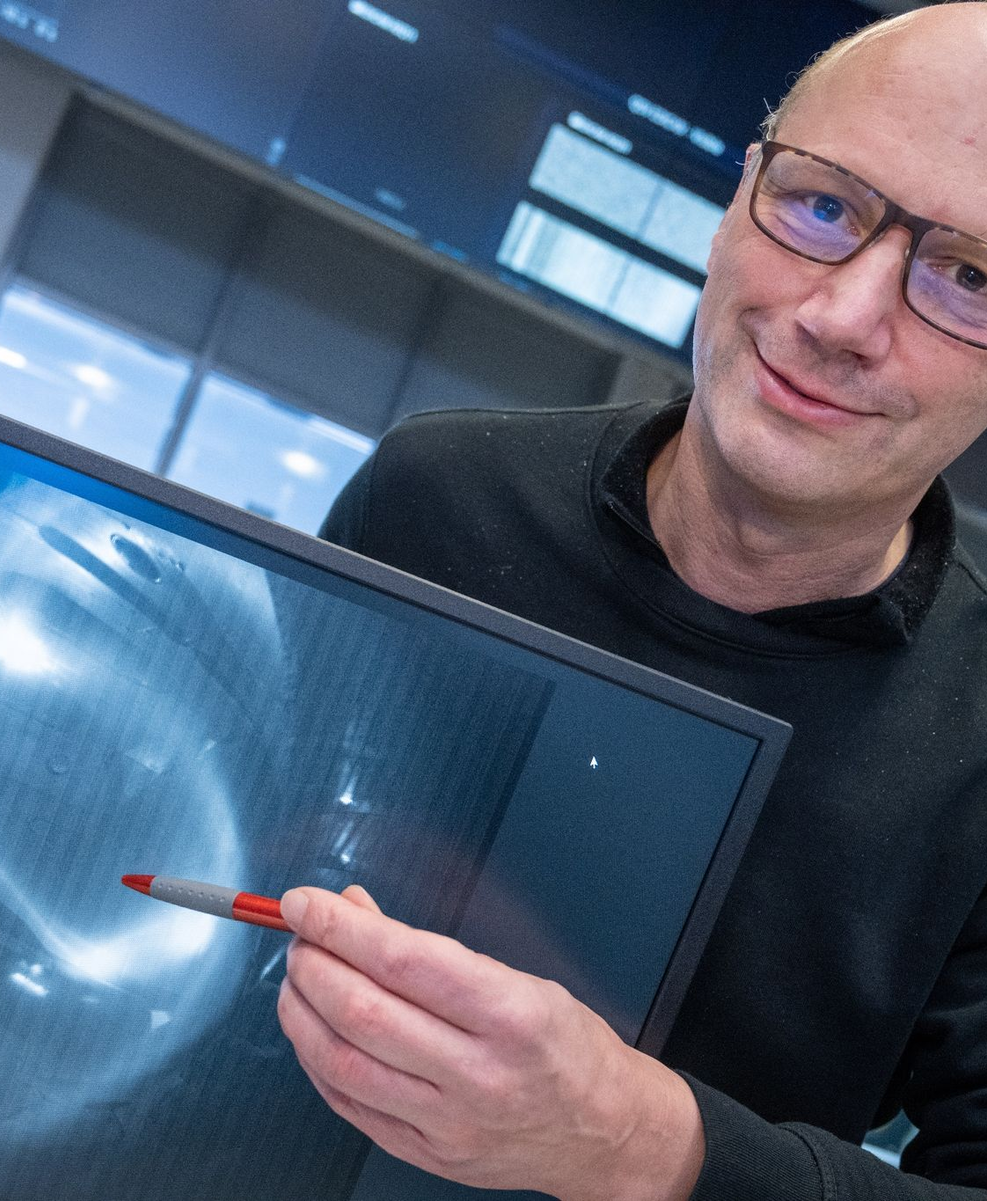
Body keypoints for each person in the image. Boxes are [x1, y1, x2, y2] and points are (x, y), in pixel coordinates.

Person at [273, 4, 987, 1199]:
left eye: (967, 276)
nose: (840, 320)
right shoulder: (431, 500)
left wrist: (648, 1146)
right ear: (732, 202)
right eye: (821, 206)